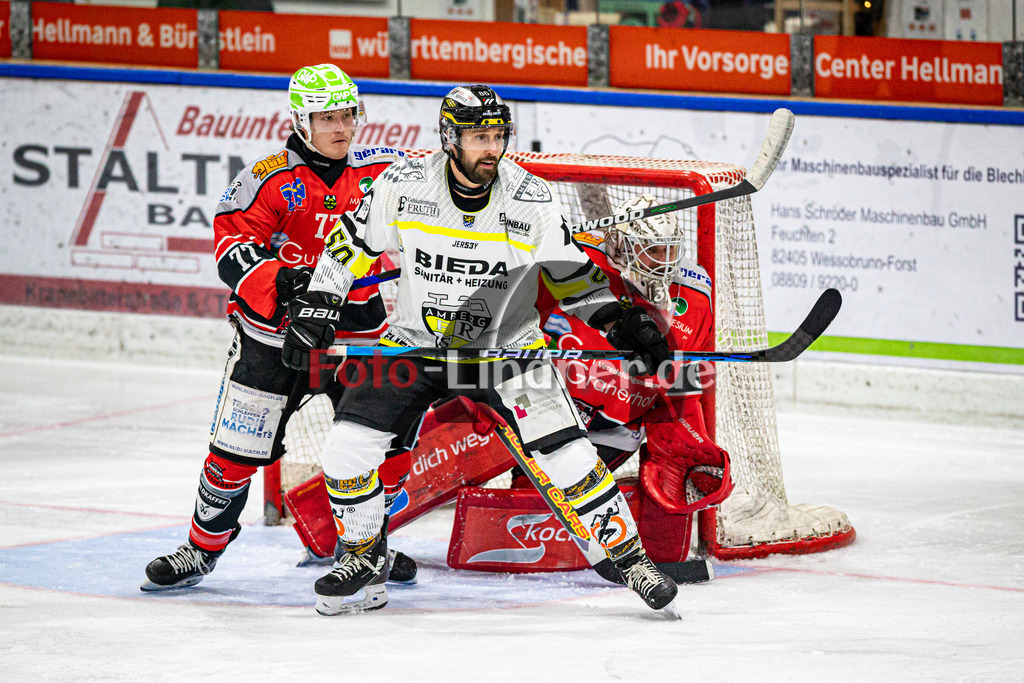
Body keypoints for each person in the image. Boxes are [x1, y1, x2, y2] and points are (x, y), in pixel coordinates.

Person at [282, 84, 680, 616]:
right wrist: (319, 303)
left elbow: (570, 275)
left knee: (568, 453)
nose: (491, 148)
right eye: (478, 137)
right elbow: (350, 244)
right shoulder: (403, 184)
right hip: (415, 345)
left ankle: (632, 561)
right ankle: (362, 557)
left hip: (507, 349)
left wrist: (619, 322)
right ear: (450, 138)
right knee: (346, 447)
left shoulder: (530, 197)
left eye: (497, 136)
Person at [141, 64, 413, 592]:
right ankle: (201, 550)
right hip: (274, 338)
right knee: (232, 455)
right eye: (327, 118)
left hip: (360, 336)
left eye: (347, 115)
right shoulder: (265, 179)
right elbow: (231, 250)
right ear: (300, 121)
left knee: (386, 450)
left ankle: (367, 546)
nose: (341, 127)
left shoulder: (386, 172)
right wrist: (287, 284)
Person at [529, 193, 733, 579]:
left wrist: (686, 438)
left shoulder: (693, 294)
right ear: (622, 245)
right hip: (546, 413)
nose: (663, 261)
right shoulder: (577, 262)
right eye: (652, 250)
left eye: (669, 250)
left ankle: (639, 531)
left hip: (614, 430)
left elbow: (685, 384)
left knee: (661, 478)